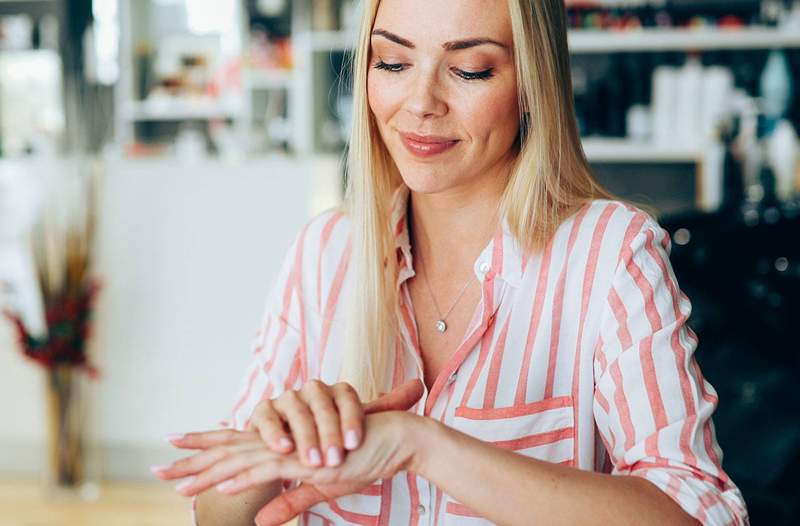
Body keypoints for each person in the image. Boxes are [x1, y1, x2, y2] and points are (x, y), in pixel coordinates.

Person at [152, 1, 750, 524]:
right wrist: (267, 448)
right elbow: (220, 516)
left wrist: (425, 446)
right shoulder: (324, 253)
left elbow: (702, 513)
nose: (419, 102)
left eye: (469, 69)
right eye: (392, 63)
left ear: (531, 85)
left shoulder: (611, 254)